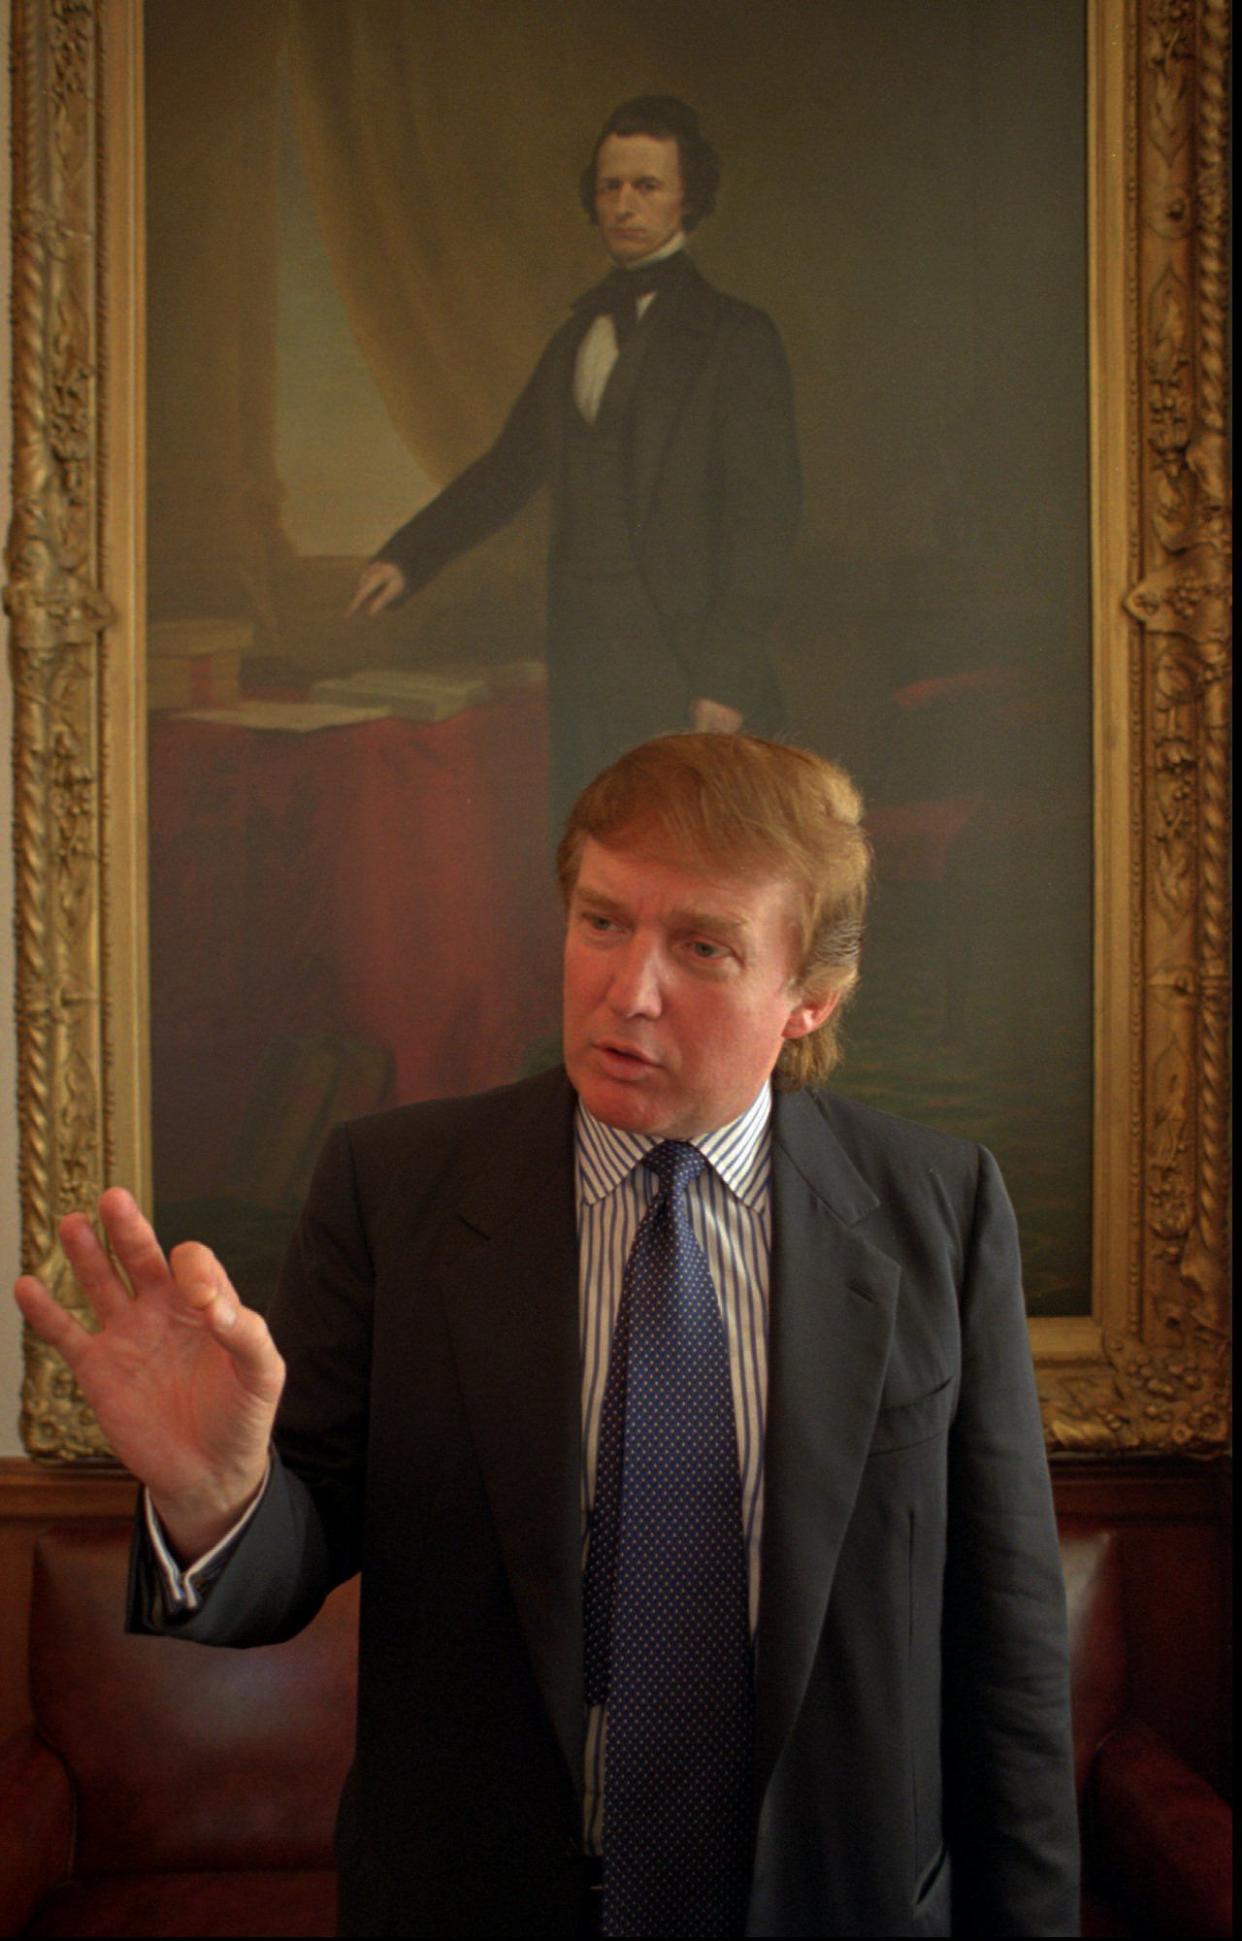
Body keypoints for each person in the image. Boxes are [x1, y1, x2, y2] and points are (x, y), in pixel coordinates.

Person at [15, 734, 1080, 1939]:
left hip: (839, 1899)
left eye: (703, 948)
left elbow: (1007, 1647)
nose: (628, 989)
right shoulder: (398, 1187)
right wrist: (218, 1497)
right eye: (602, 922)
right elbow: (284, 1564)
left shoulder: (938, 1206)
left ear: (809, 999)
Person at [346, 96, 801, 830]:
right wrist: (409, 556)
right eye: (609, 187)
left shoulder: (735, 337)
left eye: (647, 186)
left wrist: (725, 675)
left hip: (683, 660)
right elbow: (506, 469)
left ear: (690, 199)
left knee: (691, 863)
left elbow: (765, 522)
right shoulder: (576, 334)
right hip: (586, 656)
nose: (623, 204)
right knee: (600, 856)